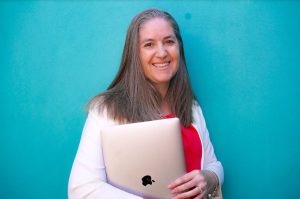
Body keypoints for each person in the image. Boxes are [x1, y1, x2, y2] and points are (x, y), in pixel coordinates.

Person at [68, 8, 224, 199]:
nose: (162, 52)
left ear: (179, 48)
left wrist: (210, 178)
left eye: (169, 41)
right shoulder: (106, 110)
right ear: (135, 54)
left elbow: (213, 164)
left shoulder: (191, 106)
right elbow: (81, 188)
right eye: (149, 44)